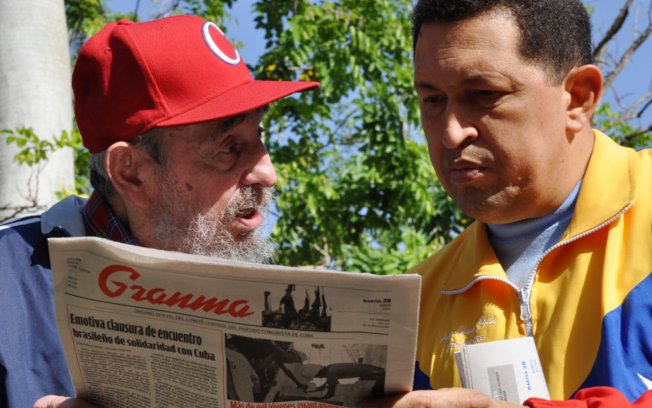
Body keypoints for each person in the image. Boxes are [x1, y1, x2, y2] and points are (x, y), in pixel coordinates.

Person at [0, 14, 317, 408]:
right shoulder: (9, 284)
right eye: (229, 146)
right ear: (131, 173)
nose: (268, 174)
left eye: (260, 135)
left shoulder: (263, 299)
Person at [369, 0, 652, 407]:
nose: (451, 133)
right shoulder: (413, 303)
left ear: (578, 98)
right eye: (432, 100)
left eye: (485, 94)